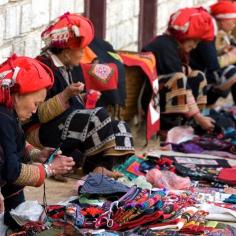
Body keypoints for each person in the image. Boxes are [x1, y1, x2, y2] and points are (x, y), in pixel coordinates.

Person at [24, 12, 135, 178]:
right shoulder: (44, 67)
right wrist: (66, 94)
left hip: (63, 127)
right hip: (41, 132)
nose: (84, 53)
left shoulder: (67, 67)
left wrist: (81, 98)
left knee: (119, 126)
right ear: (67, 52)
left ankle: (102, 167)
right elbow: (39, 113)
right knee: (99, 116)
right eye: (81, 49)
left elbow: (71, 107)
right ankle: (94, 167)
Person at [0, 54, 75, 229]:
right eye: (35, 103)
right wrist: (50, 169)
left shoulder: (8, 112)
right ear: (19, 94)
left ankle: (14, 220)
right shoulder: (2, 118)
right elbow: (12, 171)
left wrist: (37, 154)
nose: (35, 110)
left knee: (18, 219)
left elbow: (11, 145)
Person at [142, 7, 215, 131]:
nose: (195, 46)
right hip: (150, 100)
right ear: (185, 37)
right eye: (194, 41)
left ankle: (190, 123)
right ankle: (168, 127)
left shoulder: (174, 46)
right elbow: (180, 82)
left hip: (161, 95)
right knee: (178, 79)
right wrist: (199, 116)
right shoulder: (164, 46)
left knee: (197, 76)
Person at [190, 1, 236, 105]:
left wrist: (223, 51)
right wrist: (231, 56)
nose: (234, 25)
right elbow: (213, 65)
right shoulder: (208, 32)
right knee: (233, 73)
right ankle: (206, 104)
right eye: (233, 21)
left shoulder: (211, 28)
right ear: (223, 21)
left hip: (200, 69)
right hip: (196, 74)